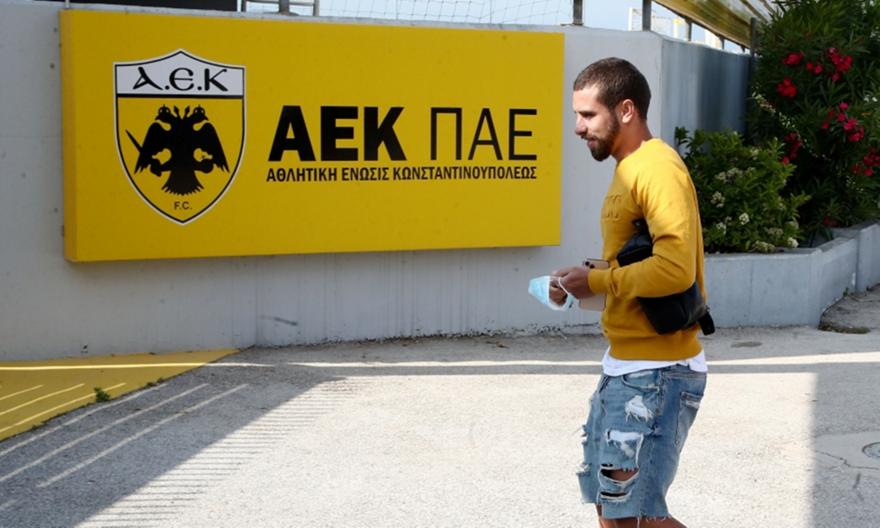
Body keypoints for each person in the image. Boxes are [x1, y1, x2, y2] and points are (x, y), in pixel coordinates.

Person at [549, 57, 708, 528]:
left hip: (657, 372)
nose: (578, 127)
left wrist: (598, 281)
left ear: (626, 110)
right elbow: (634, 264)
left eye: (588, 115)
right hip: (625, 367)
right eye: (577, 115)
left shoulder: (656, 169)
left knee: (636, 518)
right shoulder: (629, 169)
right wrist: (580, 283)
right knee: (612, 509)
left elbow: (675, 269)